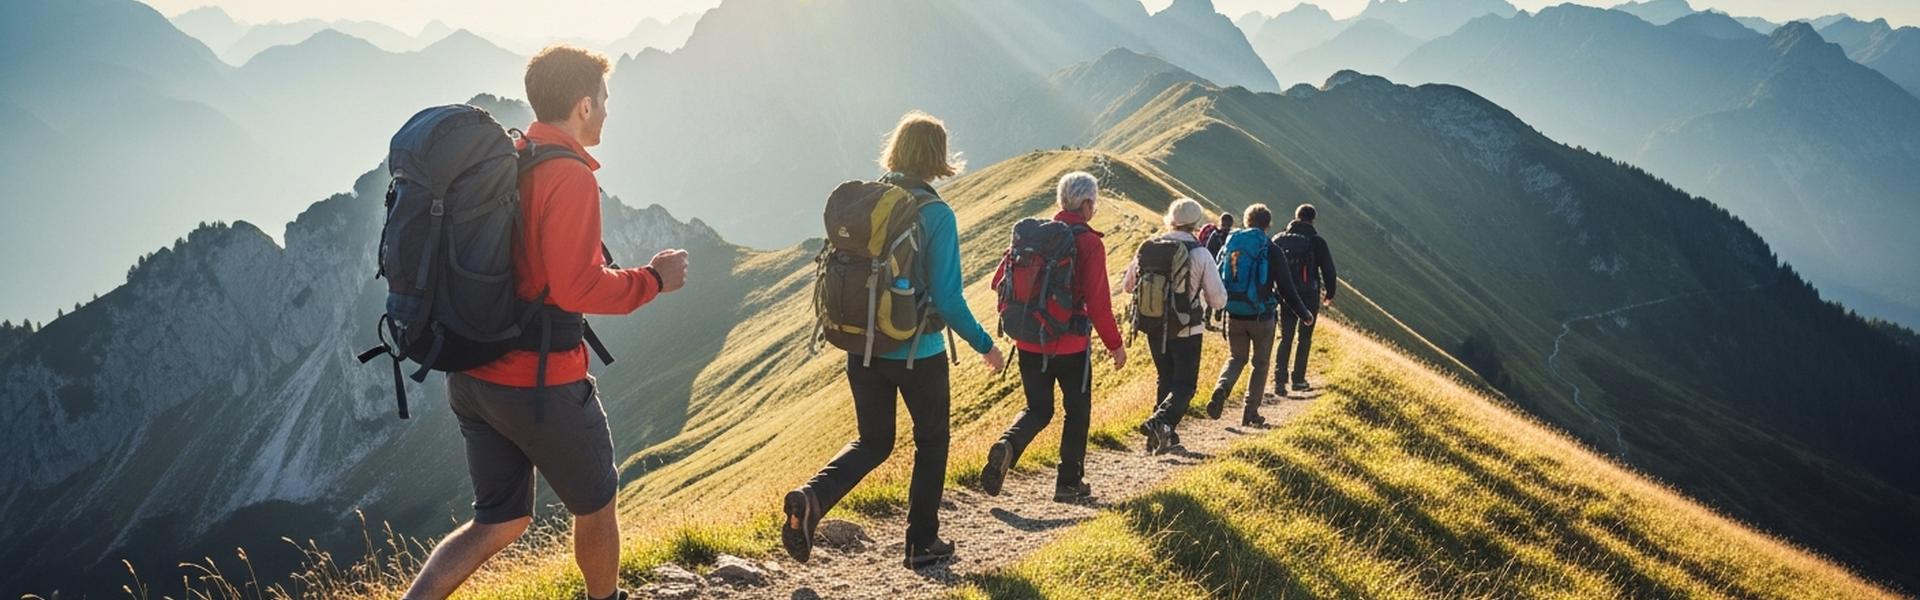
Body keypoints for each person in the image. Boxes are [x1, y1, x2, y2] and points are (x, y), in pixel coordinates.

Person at [404, 45, 691, 600]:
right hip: (540, 384)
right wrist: (654, 280)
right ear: (583, 106)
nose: (608, 110)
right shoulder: (570, 177)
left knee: (500, 520)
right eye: (605, 100)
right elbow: (575, 287)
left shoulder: (514, 154)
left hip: (471, 374)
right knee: (598, 503)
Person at [783, 111, 1006, 570]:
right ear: (938, 158)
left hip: (862, 344)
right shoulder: (937, 214)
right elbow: (946, 295)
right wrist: (985, 344)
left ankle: (811, 498)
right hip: (917, 352)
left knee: (873, 441)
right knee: (931, 441)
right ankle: (921, 543)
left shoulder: (868, 202)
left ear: (897, 150)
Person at [979, 172, 1127, 504]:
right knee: (1077, 410)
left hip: (1029, 341)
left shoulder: (1034, 238)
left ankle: (1008, 444)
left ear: (1062, 201)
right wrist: (1115, 346)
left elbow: (997, 282)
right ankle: (1069, 483)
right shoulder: (1089, 242)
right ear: (1087, 204)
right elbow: (1099, 303)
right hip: (1072, 346)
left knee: (1038, 409)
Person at [1123, 199, 1226, 454]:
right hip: (1186, 327)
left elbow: (1128, 286)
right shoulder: (1200, 253)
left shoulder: (1148, 248)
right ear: (1196, 223)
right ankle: (1162, 422)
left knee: (1165, 378)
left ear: (1170, 219)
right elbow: (1218, 298)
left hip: (1154, 324)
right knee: (1185, 384)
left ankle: (1158, 438)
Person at [1204, 204, 1313, 427]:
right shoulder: (1271, 249)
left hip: (1234, 313)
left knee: (1236, 358)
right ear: (1267, 224)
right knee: (1260, 364)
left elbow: (1218, 275)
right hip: (1262, 317)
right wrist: (1304, 313)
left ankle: (1222, 388)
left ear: (1246, 221)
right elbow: (1286, 287)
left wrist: (1218, 308)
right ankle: (1250, 412)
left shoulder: (1232, 244)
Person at [1273, 203, 1337, 394]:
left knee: (1286, 337)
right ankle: (1298, 380)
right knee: (1304, 338)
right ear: (1312, 219)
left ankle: (1279, 380)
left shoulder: (1279, 238)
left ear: (1296, 216)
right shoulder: (1317, 242)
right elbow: (1329, 271)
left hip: (1285, 294)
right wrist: (1329, 293)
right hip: (1309, 296)